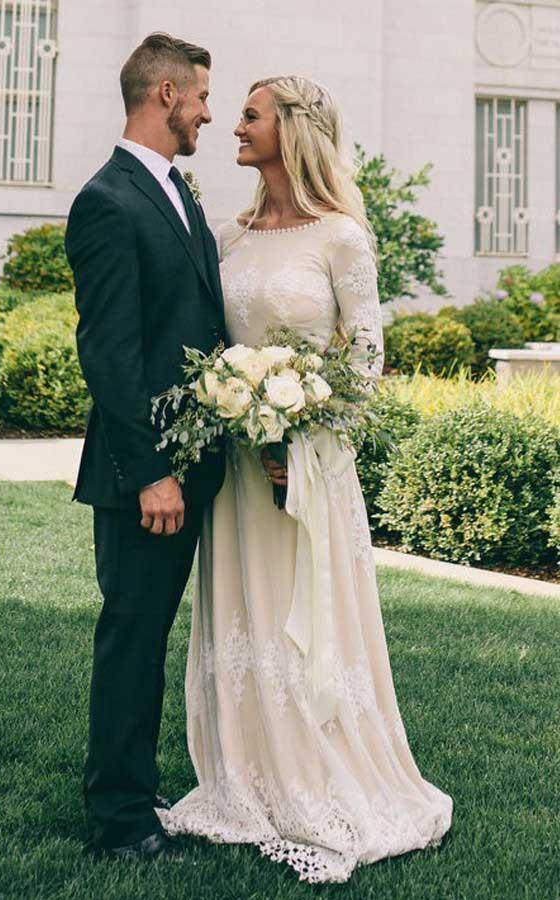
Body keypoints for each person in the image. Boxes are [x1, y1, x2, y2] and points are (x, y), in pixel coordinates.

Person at [159, 75, 453, 883]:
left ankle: (327, 777)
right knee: (245, 615)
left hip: (307, 476)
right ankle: (246, 777)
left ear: (292, 129)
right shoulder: (231, 234)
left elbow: (365, 358)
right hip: (240, 479)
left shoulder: (341, 238)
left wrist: (310, 442)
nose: (233, 128)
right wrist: (236, 411)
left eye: (249, 116)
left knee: (308, 621)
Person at [64, 32, 226, 860]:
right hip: (143, 477)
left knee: (151, 631)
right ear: (165, 95)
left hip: (190, 469)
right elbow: (111, 356)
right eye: (199, 95)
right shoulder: (108, 199)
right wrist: (153, 471)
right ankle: (119, 818)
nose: (207, 111)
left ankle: (134, 784)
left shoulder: (173, 191)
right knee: (131, 635)